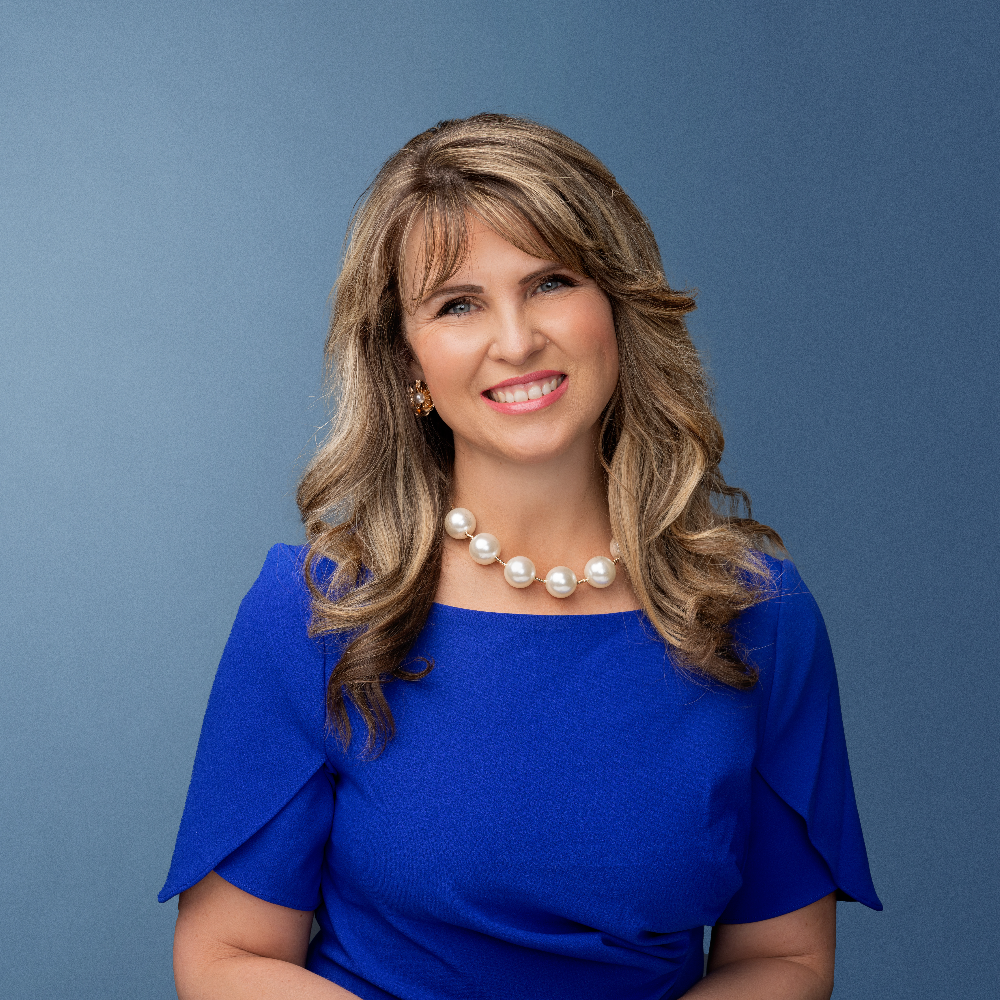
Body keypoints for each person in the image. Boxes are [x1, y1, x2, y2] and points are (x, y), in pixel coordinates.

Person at [160, 114, 881, 1000]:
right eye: (457, 303)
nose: (515, 339)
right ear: (409, 363)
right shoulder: (321, 611)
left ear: (616, 308)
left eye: (550, 283)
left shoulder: (756, 615)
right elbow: (227, 960)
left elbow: (785, 961)